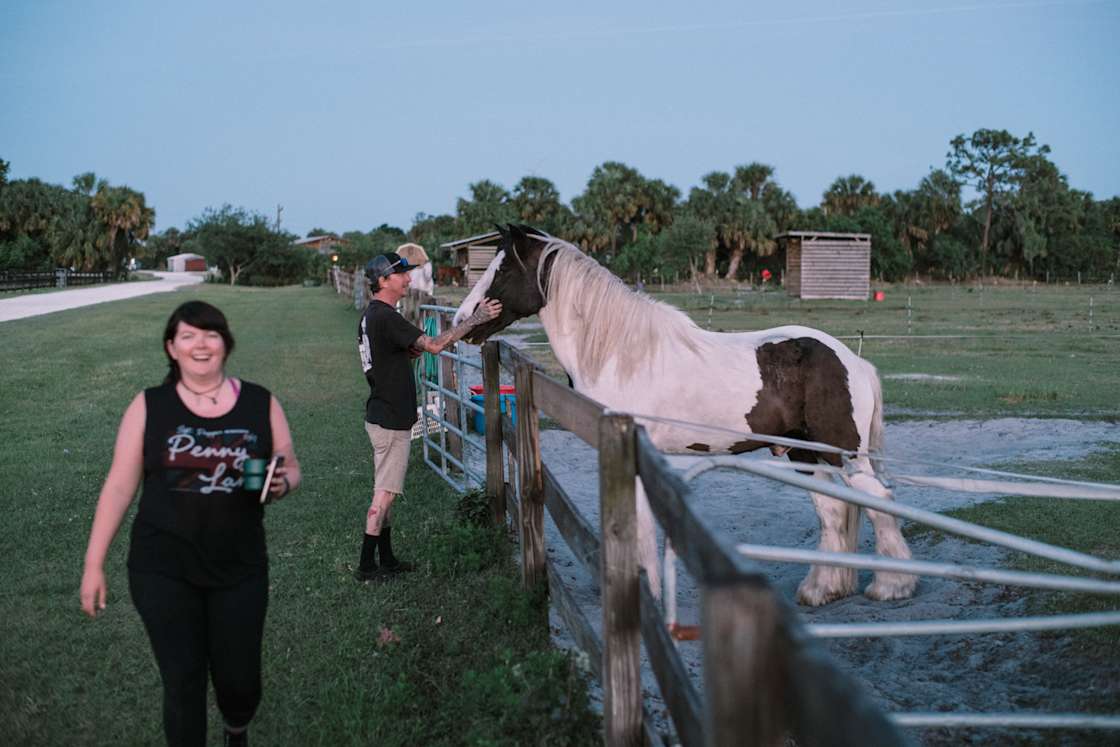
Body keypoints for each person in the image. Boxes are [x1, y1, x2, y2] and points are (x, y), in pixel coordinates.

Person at [79, 300, 301, 747]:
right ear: (171, 348)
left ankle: (235, 727)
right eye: (188, 335)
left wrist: (282, 482)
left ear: (226, 343)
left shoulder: (260, 402)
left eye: (210, 334)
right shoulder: (149, 406)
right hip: (162, 566)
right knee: (183, 682)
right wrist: (93, 564)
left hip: (239, 565)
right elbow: (120, 487)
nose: (201, 344)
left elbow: (291, 466)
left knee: (239, 681)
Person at [354, 251, 500, 581]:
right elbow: (434, 345)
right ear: (383, 281)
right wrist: (475, 319)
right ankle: (366, 566)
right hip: (390, 419)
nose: (408, 279)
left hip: (383, 413)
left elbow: (403, 350)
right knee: (385, 494)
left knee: (386, 490)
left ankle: (387, 559)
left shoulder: (373, 316)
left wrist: (412, 348)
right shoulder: (386, 317)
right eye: (402, 275)